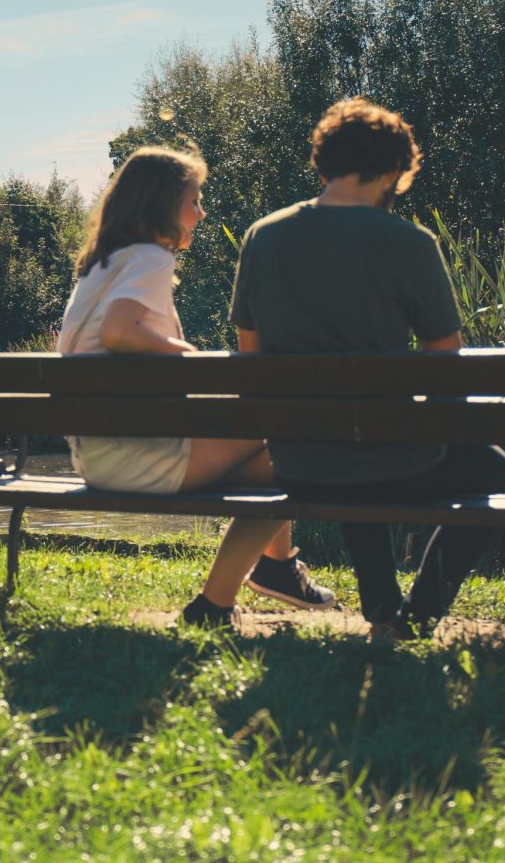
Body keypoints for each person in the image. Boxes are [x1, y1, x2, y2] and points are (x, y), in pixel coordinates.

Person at [230, 97, 505, 638]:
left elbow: (251, 356)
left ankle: (384, 608)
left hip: (297, 459)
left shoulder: (263, 237)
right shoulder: (409, 244)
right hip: (389, 459)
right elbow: (445, 364)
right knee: (492, 467)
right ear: (392, 170)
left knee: (349, 440)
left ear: (324, 161)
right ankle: (418, 612)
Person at [58, 145, 333, 629]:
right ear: (162, 205)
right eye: (194, 200)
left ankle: (274, 568)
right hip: (140, 457)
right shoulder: (149, 257)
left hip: (99, 455)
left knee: (276, 461)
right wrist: (191, 357)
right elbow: (120, 331)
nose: (201, 213)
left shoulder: (102, 264)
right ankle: (227, 597)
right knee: (303, 451)